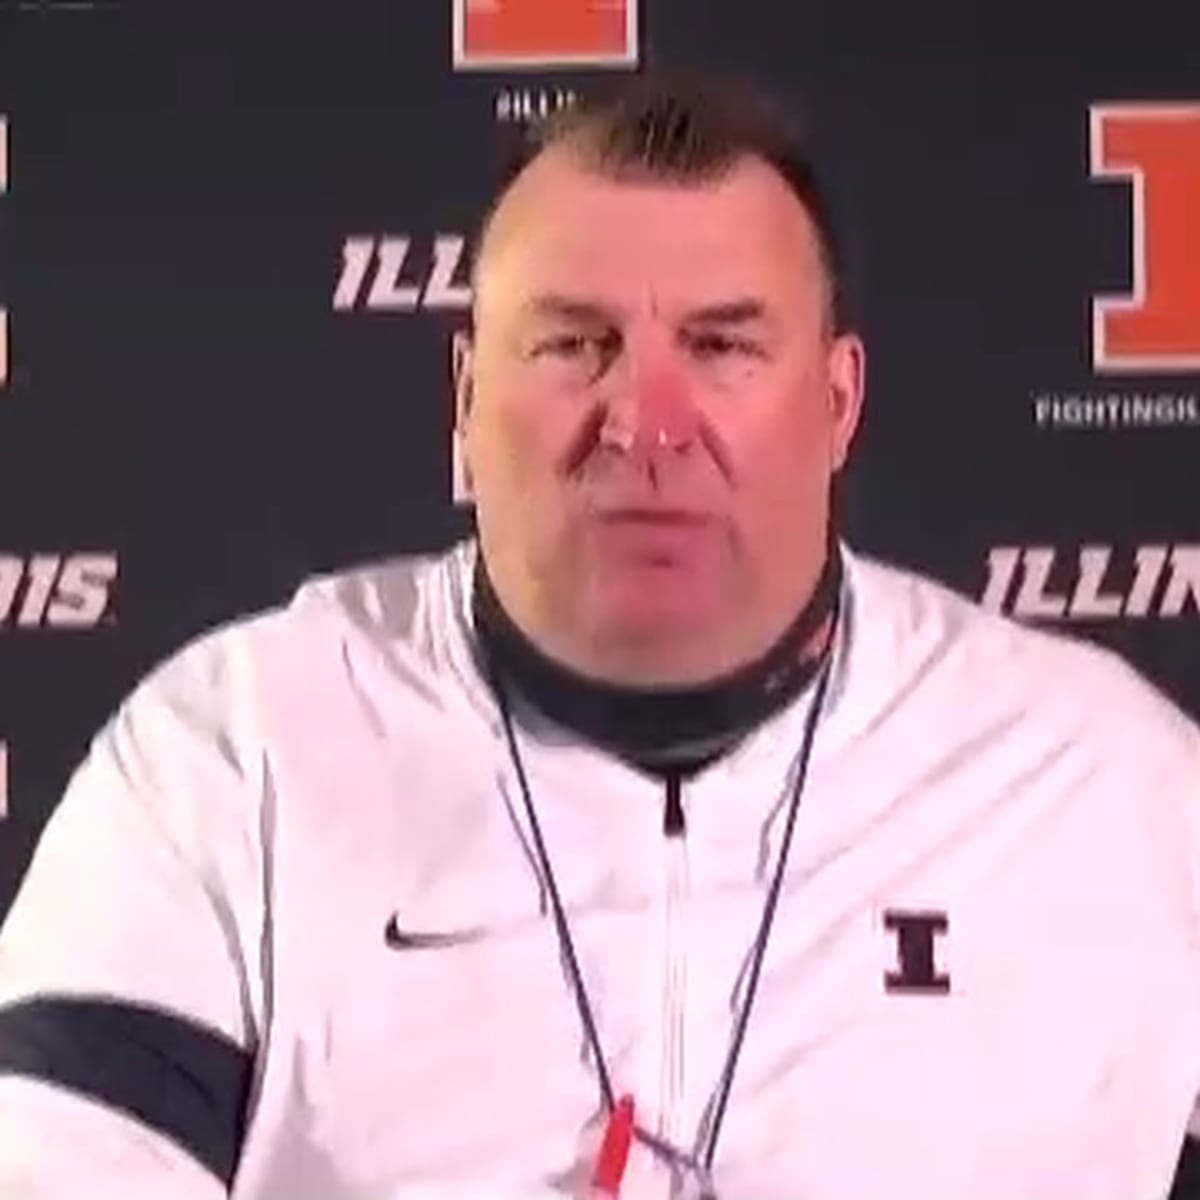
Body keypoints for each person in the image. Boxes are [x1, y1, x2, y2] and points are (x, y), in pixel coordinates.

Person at [1, 72, 1199, 1200]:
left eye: (724, 345)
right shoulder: (234, 754)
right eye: (576, 344)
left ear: (837, 407)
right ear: (464, 398)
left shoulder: (1109, 783)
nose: (646, 422)